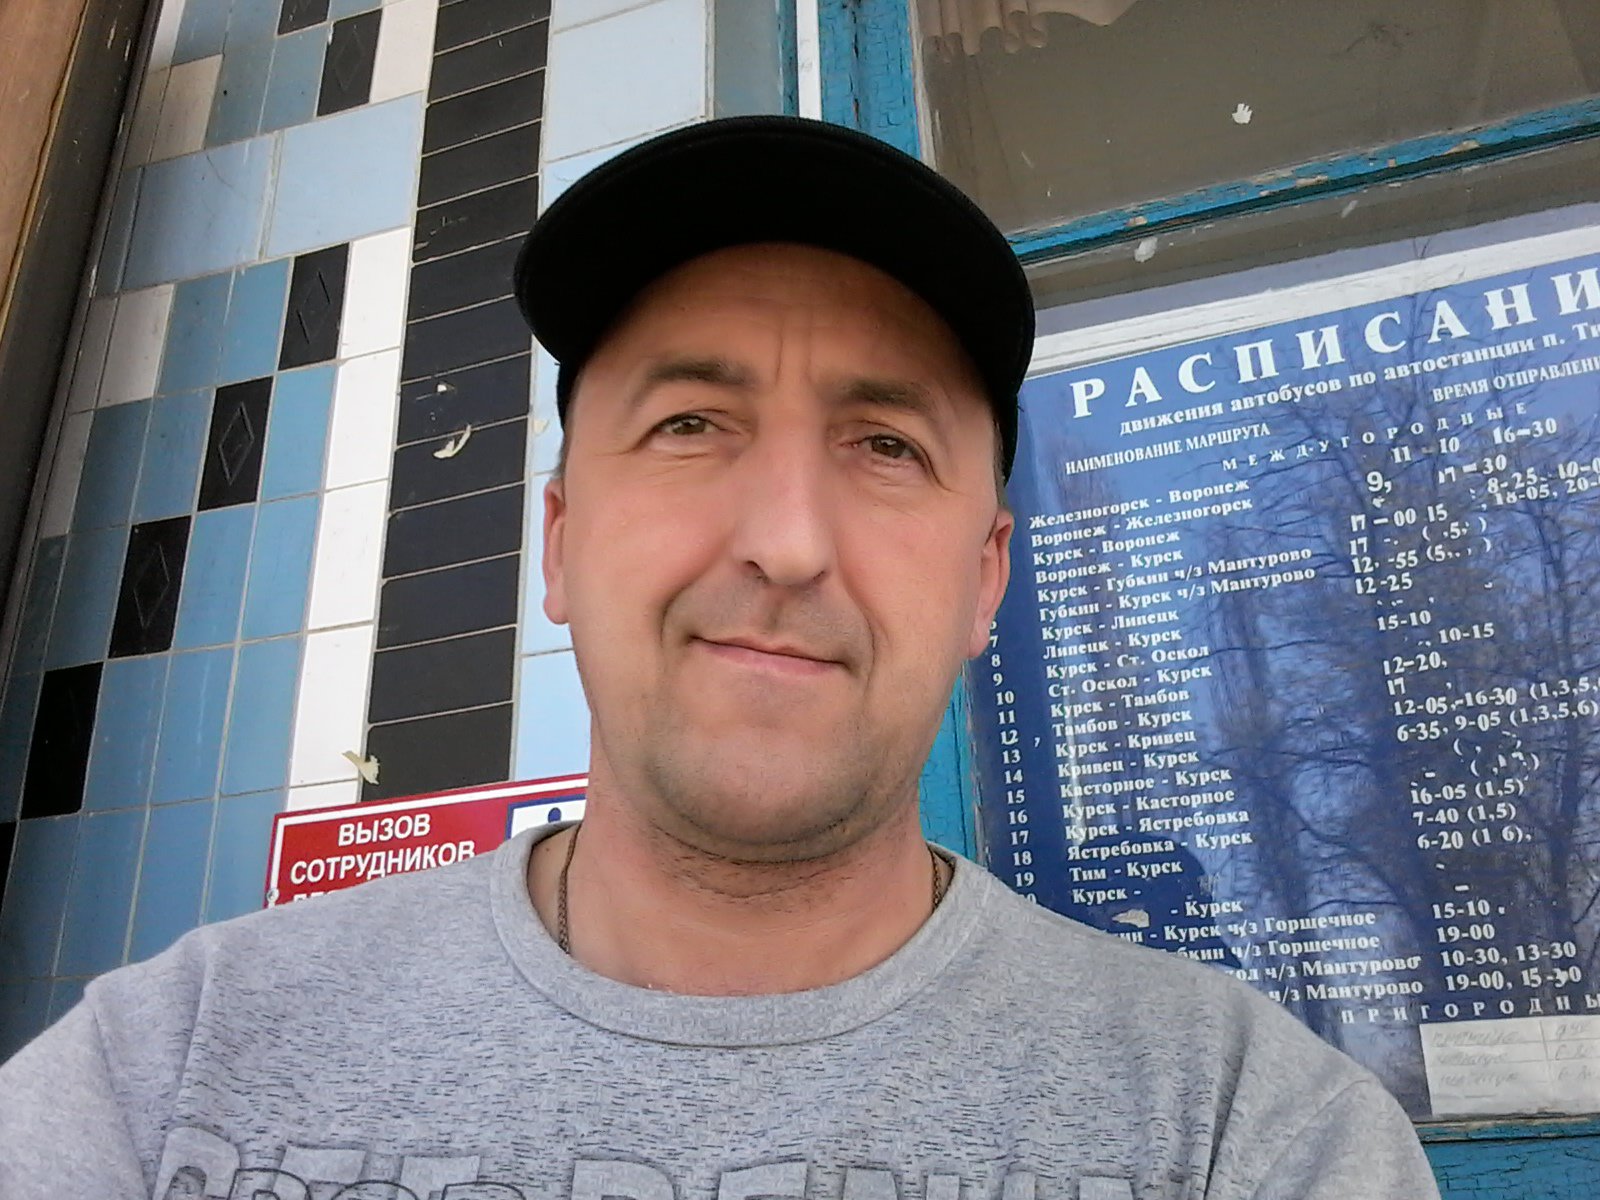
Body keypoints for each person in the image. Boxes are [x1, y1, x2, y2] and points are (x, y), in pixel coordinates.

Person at [0, 116, 1440, 1198]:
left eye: (886, 445)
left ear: (985, 577)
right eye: (690, 424)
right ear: (562, 541)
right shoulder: (166, 1072)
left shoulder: (1248, 1137)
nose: (789, 543)